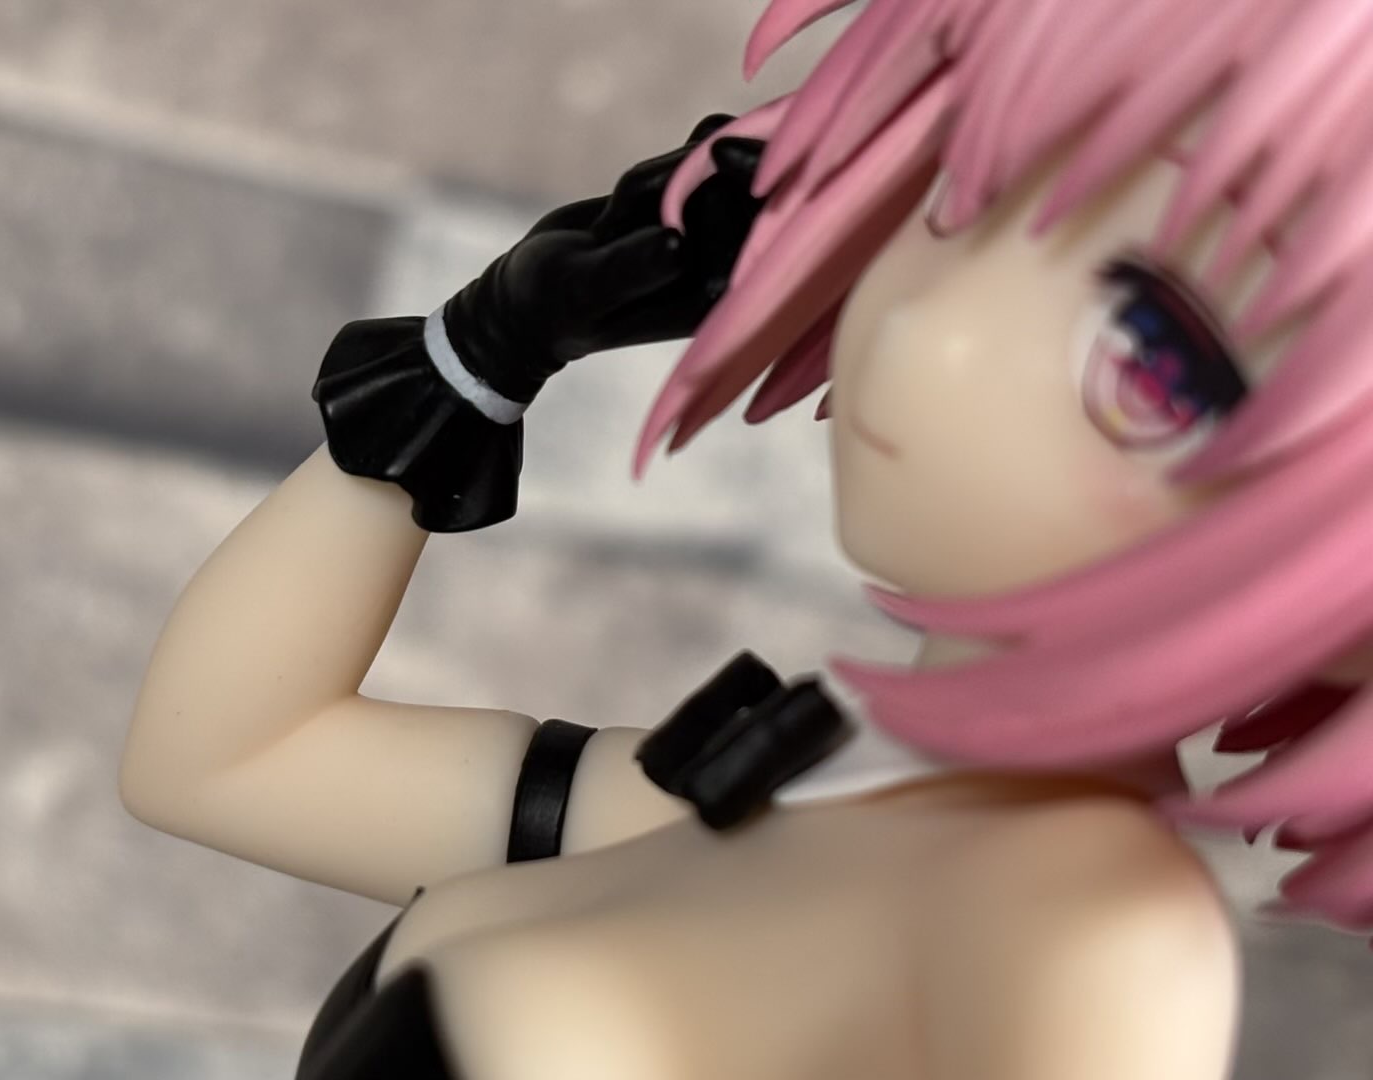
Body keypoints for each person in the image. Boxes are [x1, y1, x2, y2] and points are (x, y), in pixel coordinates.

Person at [124, 1, 1373, 1075]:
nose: (931, 330)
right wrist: (481, 355)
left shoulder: (1092, 928)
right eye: (960, 195)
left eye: (1155, 361)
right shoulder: (827, 778)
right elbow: (226, 761)